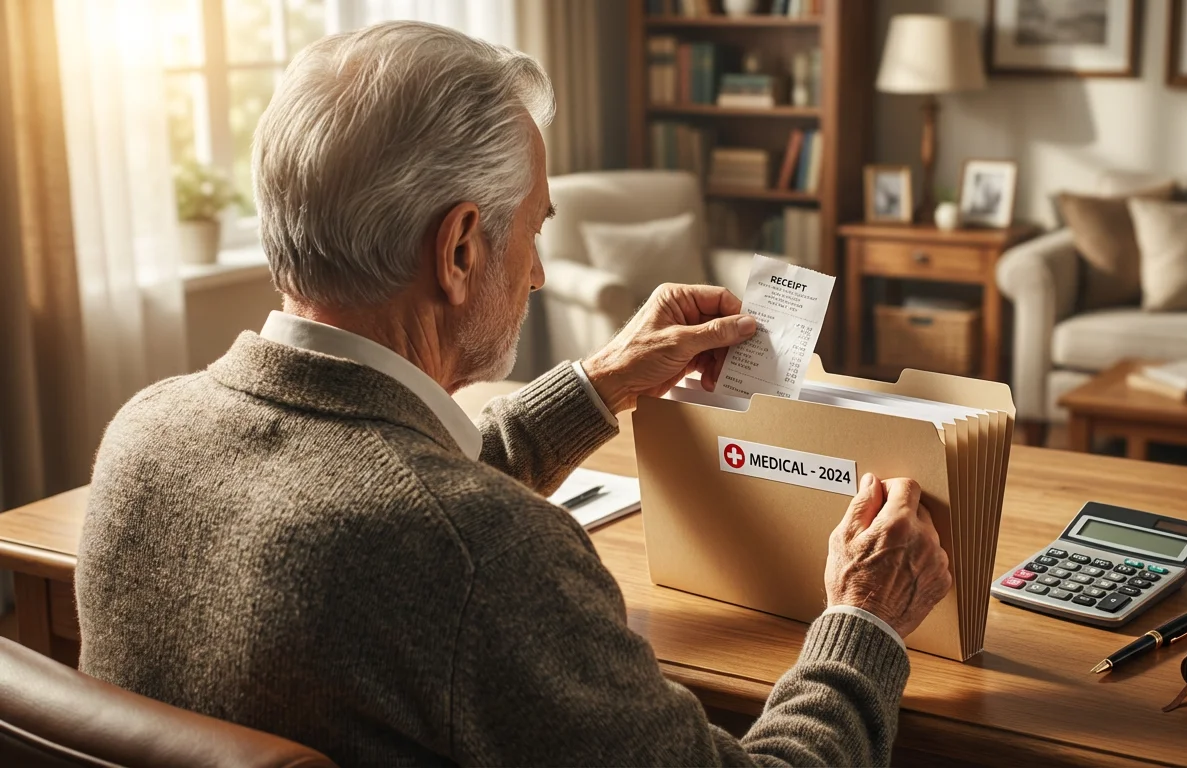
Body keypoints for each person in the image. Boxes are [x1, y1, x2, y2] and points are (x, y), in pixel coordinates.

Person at [76, 21, 951, 766]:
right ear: (459, 250)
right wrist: (862, 622)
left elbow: (366, 484)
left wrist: (600, 383)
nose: (535, 272)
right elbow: (429, 533)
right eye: (531, 230)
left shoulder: (142, 438)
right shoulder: (483, 555)